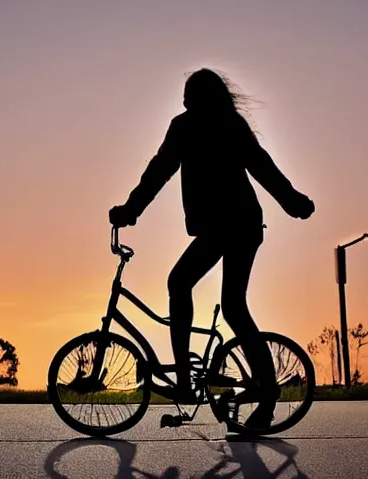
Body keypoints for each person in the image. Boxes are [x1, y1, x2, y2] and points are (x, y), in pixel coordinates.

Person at [109, 68, 315, 427]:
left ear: (199, 98)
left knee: (182, 284)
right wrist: (291, 201)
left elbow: (161, 171)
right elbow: (259, 165)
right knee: (232, 305)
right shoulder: (227, 123)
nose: (186, 103)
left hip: (229, 227)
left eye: (190, 96)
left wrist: (131, 210)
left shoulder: (188, 126)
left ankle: (190, 384)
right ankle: (257, 388)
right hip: (242, 225)